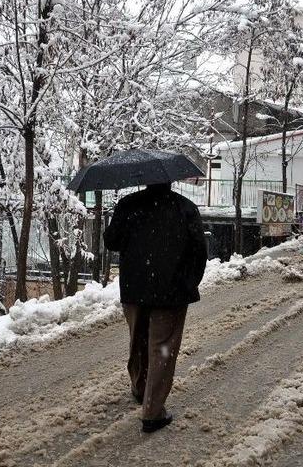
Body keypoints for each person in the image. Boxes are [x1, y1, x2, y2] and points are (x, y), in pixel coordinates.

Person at [104, 182, 207, 433]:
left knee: (138, 342)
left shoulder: (128, 204)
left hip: (134, 288)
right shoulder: (185, 208)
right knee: (162, 349)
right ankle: (152, 411)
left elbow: (111, 241)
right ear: (170, 180)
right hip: (171, 292)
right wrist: (188, 282)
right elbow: (200, 252)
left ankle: (140, 388)